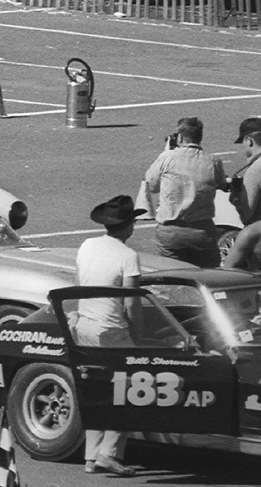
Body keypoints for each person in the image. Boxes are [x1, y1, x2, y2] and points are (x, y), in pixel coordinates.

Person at [74, 195, 144, 477]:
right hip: (111, 331)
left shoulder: (88, 245)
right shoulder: (128, 256)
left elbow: (79, 283)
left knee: (96, 392)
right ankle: (109, 454)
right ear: (128, 226)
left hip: (84, 326)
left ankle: (91, 456)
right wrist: (138, 340)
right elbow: (132, 303)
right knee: (125, 394)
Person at [145, 117, 227, 267]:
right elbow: (222, 184)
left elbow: (151, 185)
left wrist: (166, 151)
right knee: (207, 276)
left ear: (180, 137)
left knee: (174, 277)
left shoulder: (167, 158)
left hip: (172, 232)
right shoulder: (213, 161)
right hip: (202, 231)